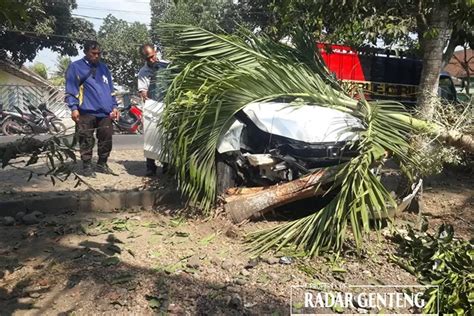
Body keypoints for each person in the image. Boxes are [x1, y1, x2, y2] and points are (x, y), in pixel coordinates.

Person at [65, 40, 119, 177]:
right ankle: (87, 166)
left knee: (106, 139)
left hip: (105, 112)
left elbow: (111, 89)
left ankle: (102, 163)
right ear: (86, 52)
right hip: (85, 111)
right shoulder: (75, 67)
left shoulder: (104, 68)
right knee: (86, 139)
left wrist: (114, 106)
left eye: (99, 54)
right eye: (93, 53)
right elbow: (71, 90)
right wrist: (73, 108)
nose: (96, 56)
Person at [137, 43, 169, 176]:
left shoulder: (167, 65)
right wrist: (148, 98)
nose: (151, 60)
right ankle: (151, 167)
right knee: (151, 137)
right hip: (152, 107)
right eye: (147, 58)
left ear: (155, 52)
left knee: (167, 138)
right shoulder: (143, 73)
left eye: (152, 56)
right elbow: (143, 92)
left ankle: (168, 166)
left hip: (168, 107)